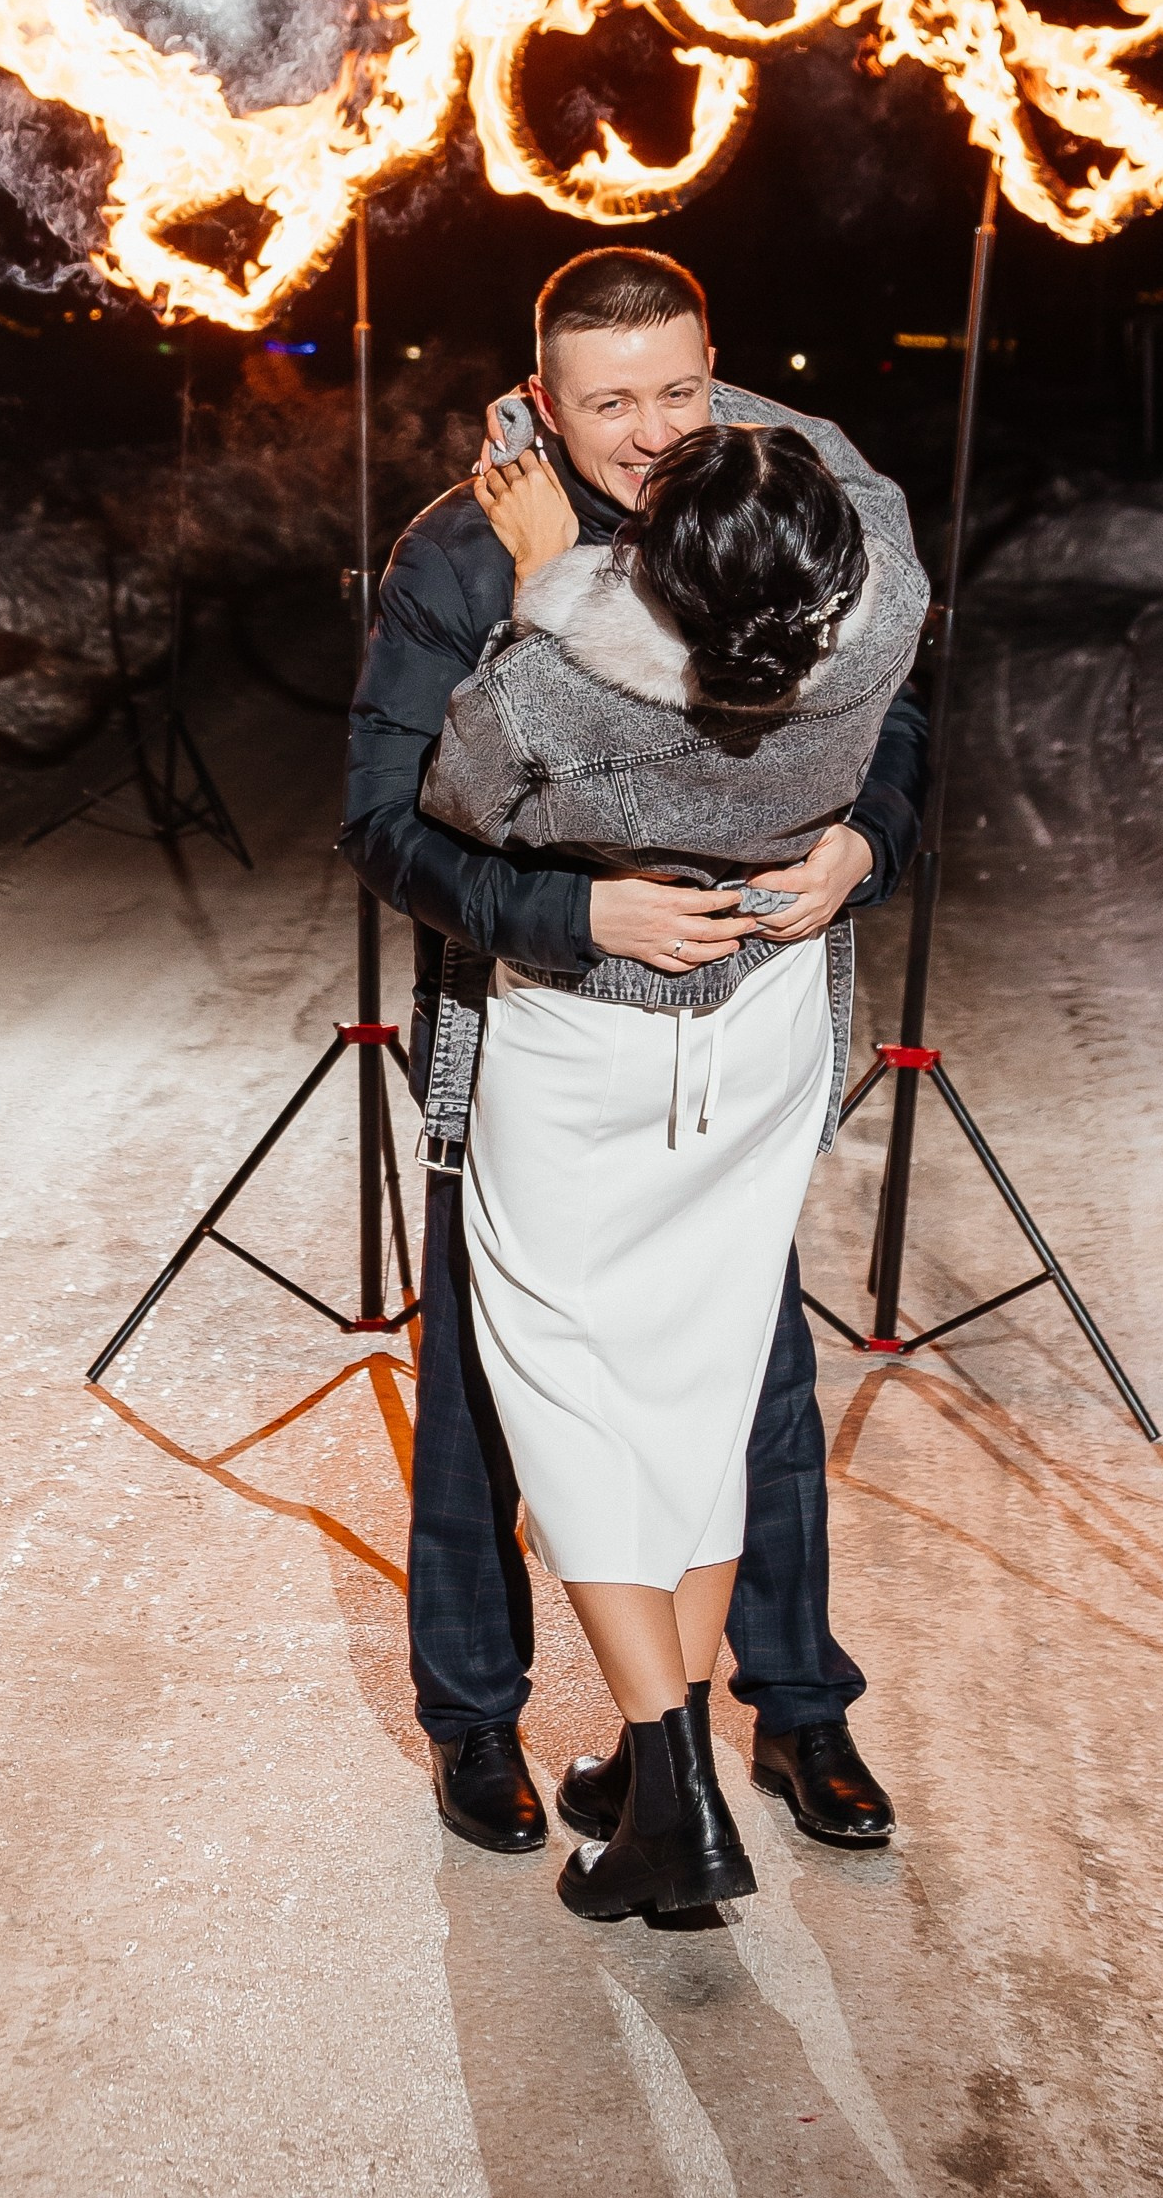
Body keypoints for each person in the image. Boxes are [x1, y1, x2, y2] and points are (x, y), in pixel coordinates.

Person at [337, 247, 929, 1864]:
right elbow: (388, 823)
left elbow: (897, 717)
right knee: (486, 1377)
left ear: (721, 370)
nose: (654, 434)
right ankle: (479, 1720)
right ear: (541, 400)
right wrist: (574, 912)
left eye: (681, 390)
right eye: (610, 405)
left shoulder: (778, 498)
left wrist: (862, 848)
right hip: (533, 1028)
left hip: (746, 1032)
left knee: (757, 1376)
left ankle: (795, 1711)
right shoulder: (462, 555)